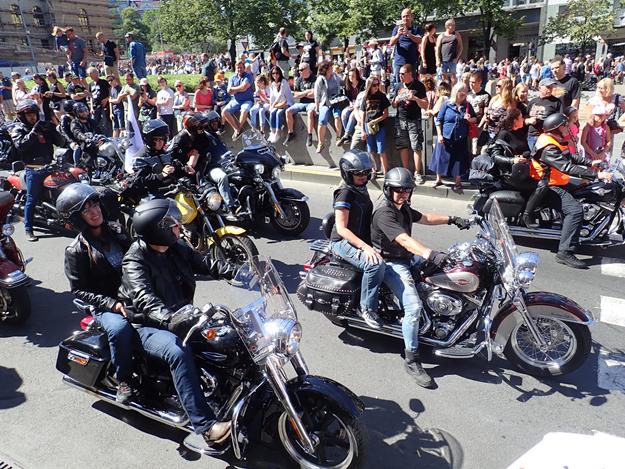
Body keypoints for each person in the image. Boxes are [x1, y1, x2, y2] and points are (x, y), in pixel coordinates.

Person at [118, 198, 235, 448]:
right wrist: (169, 318)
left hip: (181, 316)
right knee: (177, 351)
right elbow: (144, 299)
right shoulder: (135, 261)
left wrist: (241, 272)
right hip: (147, 325)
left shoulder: (176, 247)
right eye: (173, 224)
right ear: (158, 229)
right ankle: (206, 426)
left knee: (230, 333)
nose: (178, 227)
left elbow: (207, 263)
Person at [371, 167, 470, 387]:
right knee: (413, 308)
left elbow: (425, 217)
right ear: (388, 189)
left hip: (405, 257)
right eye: (398, 190)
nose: (402, 194)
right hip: (391, 263)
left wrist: (453, 219)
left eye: (406, 190)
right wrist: (429, 254)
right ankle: (411, 359)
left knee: (449, 269)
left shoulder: (402, 207)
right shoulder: (384, 213)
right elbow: (403, 240)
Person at [58, 184, 137, 404]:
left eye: (95, 205)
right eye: (86, 210)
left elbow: (136, 257)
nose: (95, 212)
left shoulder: (117, 231)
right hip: (105, 305)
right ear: (78, 218)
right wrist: (112, 304)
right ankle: (124, 380)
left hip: (132, 293)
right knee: (120, 329)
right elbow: (79, 290)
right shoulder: (76, 251)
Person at [527, 113, 612, 268]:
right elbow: (566, 166)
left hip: (558, 181)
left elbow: (569, 157)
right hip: (548, 185)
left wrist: (591, 162)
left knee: (588, 190)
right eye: (564, 125)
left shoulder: (554, 140)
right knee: (575, 211)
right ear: (556, 128)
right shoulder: (548, 147)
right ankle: (565, 253)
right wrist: (596, 174)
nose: (568, 127)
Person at [331, 150, 385, 329]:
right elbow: (341, 229)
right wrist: (365, 248)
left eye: (366, 172)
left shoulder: (361, 188)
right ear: (347, 173)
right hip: (342, 242)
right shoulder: (345, 193)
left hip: (360, 239)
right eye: (358, 173)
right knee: (374, 264)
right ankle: (367, 309)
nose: (363, 176)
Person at [8, 100, 65, 241]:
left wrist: (53, 129)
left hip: (49, 166)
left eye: (34, 114)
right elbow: (21, 145)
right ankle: (28, 229)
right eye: (29, 114)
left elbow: (61, 142)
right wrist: (34, 131)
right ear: (22, 116)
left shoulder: (43, 127)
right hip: (33, 169)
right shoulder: (18, 129)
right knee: (32, 198)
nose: (32, 117)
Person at [431, 83, 476, 192]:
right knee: (441, 157)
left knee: (459, 160)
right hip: (446, 136)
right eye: (461, 91)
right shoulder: (447, 104)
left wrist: (469, 119)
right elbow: (438, 120)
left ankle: (458, 181)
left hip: (460, 137)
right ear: (456, 92)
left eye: (465, 92)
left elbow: (475, 118)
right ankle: (438, 179)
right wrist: (439, 135)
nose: (463, 94)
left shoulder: (467, 106)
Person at [131, 119, 192, 198]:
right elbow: (140, 181)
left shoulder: (166, 152)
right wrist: (161, 175)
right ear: (149, 139)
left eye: (163, 139)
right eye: (157, 139)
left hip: (172, 189)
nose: (161, 142)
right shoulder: (140, 158)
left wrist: (184, 169)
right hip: (153, 194)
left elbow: (174, 169)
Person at [392, 64, 428, 183]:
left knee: (416, 147)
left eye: (402, 74)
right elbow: (393, 105)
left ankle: (417, 173)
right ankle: (406, 172)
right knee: (403, 146)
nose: (400, 76)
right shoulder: (398, 86)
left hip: (414, 119)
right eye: (399, 74)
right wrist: (396, 101)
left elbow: (426, 105)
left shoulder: (419, 85)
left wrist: (415, 98)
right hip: (400, 119)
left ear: (409, 74)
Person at [361, 76, 391, 178]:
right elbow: (363, 114)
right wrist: (362, 130)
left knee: (381, 150)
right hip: (368, 125)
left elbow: (386, 114)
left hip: (379, 125)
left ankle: (385, 172)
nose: (376, 87)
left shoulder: (382, 96)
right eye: (374, 85)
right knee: (371, 150)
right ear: (369, 86)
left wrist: (376, 121)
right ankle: (373, 170)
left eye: (377, 84)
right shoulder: (365, 97)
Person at [314, 61, 344, 154]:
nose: (332, 69)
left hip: (337, 101)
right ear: (325, 69)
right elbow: (316, 94)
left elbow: (342, 82)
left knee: (337, 116)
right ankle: (320, 143)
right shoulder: (320, 79)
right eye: (330, 68)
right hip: (325, 102)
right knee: (322, 120)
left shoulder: (335, 76)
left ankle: (338, 137)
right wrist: (317, 106)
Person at [284, 63, 316, 146]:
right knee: (288, 111)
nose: (299, 71)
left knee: (310, 112)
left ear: (307, 69)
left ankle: (309, 135)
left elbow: (314, 94)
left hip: (312, 103)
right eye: (299, 70)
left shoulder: (315, 79)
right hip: (301, 103)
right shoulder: (299, 80)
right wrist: (307, 92)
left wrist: (302, 94)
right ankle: (291, 133)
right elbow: (295, 95)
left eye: (301, 70)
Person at [526, 78, 562, 151]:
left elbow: (559, 120)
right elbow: (525, 117)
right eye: (547, 87)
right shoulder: (533, 101)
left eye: (551, 87)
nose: (550, 90)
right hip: (532, 135)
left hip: (546, 136)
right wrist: (529, 120)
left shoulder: (556, 102)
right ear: (540, 88)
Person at [222, 60, 254, 140]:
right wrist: (239, 89)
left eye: (241, 67)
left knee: (244, 110)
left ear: (244, 68)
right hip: (235, 100)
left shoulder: (248, 76)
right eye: (238, 68)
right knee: (224, 111)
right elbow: (229, 91)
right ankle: (237, 129)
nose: (239, 69)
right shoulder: (232, 77)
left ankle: (238, 129)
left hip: (247, 100)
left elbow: (244, 87)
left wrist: (234, 89)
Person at [389, 8, 421, 87]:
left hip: (411, 61)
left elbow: (419, 40)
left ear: (411, 17)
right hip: (399, 61)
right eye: (403, 16)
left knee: (412, 84)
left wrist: (409, 34)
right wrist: (398, 35)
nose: (405, 18)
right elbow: (391, 43)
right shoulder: (396, 29)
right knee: (399, 84)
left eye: (407, 16)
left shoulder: (415, 29)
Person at [70, 102, 105, 168]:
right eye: (81, 111)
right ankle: (77, 166)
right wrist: (85, 139)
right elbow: (77, 133)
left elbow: (98, 130)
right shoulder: (74, 123)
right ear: (76, 113)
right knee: (78, 148)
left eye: (86, 110)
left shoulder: (91, 121)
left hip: (93, 141)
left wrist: (102, 137)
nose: (85, 113)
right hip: (81, 143)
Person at [480, 77, 514, 143]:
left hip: (500, 136)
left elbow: (509, 121)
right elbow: (486, 114)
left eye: (499, 86)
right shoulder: (494, 99)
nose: (496, 87)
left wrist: (495, 118)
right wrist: (480, 126)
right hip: (489, 133)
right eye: (496, 85)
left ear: (505, 88)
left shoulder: (509, 103)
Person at [337, 68, 365, 147]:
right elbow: (347, 97)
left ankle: (346, 135)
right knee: (344, 114)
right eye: (349, 76)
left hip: (359, 105)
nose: (351, 77)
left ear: (357, 76)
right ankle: (349, 135)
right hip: (351, 104)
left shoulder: (362, 84)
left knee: (352, 115)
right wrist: (350, 103)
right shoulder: (347, 84)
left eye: (353, 76)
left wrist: (355, 105)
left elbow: (363, 97)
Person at [267, 66, 294, 144]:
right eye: (273, 73)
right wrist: (271, 105)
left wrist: (273, 105)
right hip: (278, 104)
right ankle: (272, 131)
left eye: (277, 73)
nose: (275, 75)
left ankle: (278, 133)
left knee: (278, 113)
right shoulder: (272, 84)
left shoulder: (283, 82)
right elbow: (272, 96)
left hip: (287, 102)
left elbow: (280, 95)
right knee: (272, 112)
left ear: (280, 73)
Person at [466, 72, 490, 156]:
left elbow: (486, 113)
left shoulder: (485, 96)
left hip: (478, 125)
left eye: (473, 82)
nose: (471, 84)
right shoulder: (467, 94)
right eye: (470, 82)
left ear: (480, 82)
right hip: (467, 125)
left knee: (476, 150)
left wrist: (480, 126)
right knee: (467, 149)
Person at [436, 19, 463, 85]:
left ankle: (453, 89)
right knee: (444, 77)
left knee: (453, 78)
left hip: (452, 60)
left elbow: (461, 47)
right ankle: (445, 89)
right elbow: (438, 48)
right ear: (447, 26)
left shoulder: (456, 34)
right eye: (452, 25)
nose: (454, 27)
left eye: (454, 25)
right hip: (443, 60)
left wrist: (457, 58)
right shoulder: (441, 36)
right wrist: (438, 60)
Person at [88, 67, 112, 137]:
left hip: (104, 105)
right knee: (93, 122)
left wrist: (107, 99)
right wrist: (91, 107)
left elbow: (111, 91)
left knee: (105, 122)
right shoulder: (90, 84)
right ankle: (95, 136)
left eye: (92, 75)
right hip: (95, 106)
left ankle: (108, 136)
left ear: (96, 74)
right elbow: (91, 97)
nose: (91, 77)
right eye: (90, 75)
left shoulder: (104, 82)